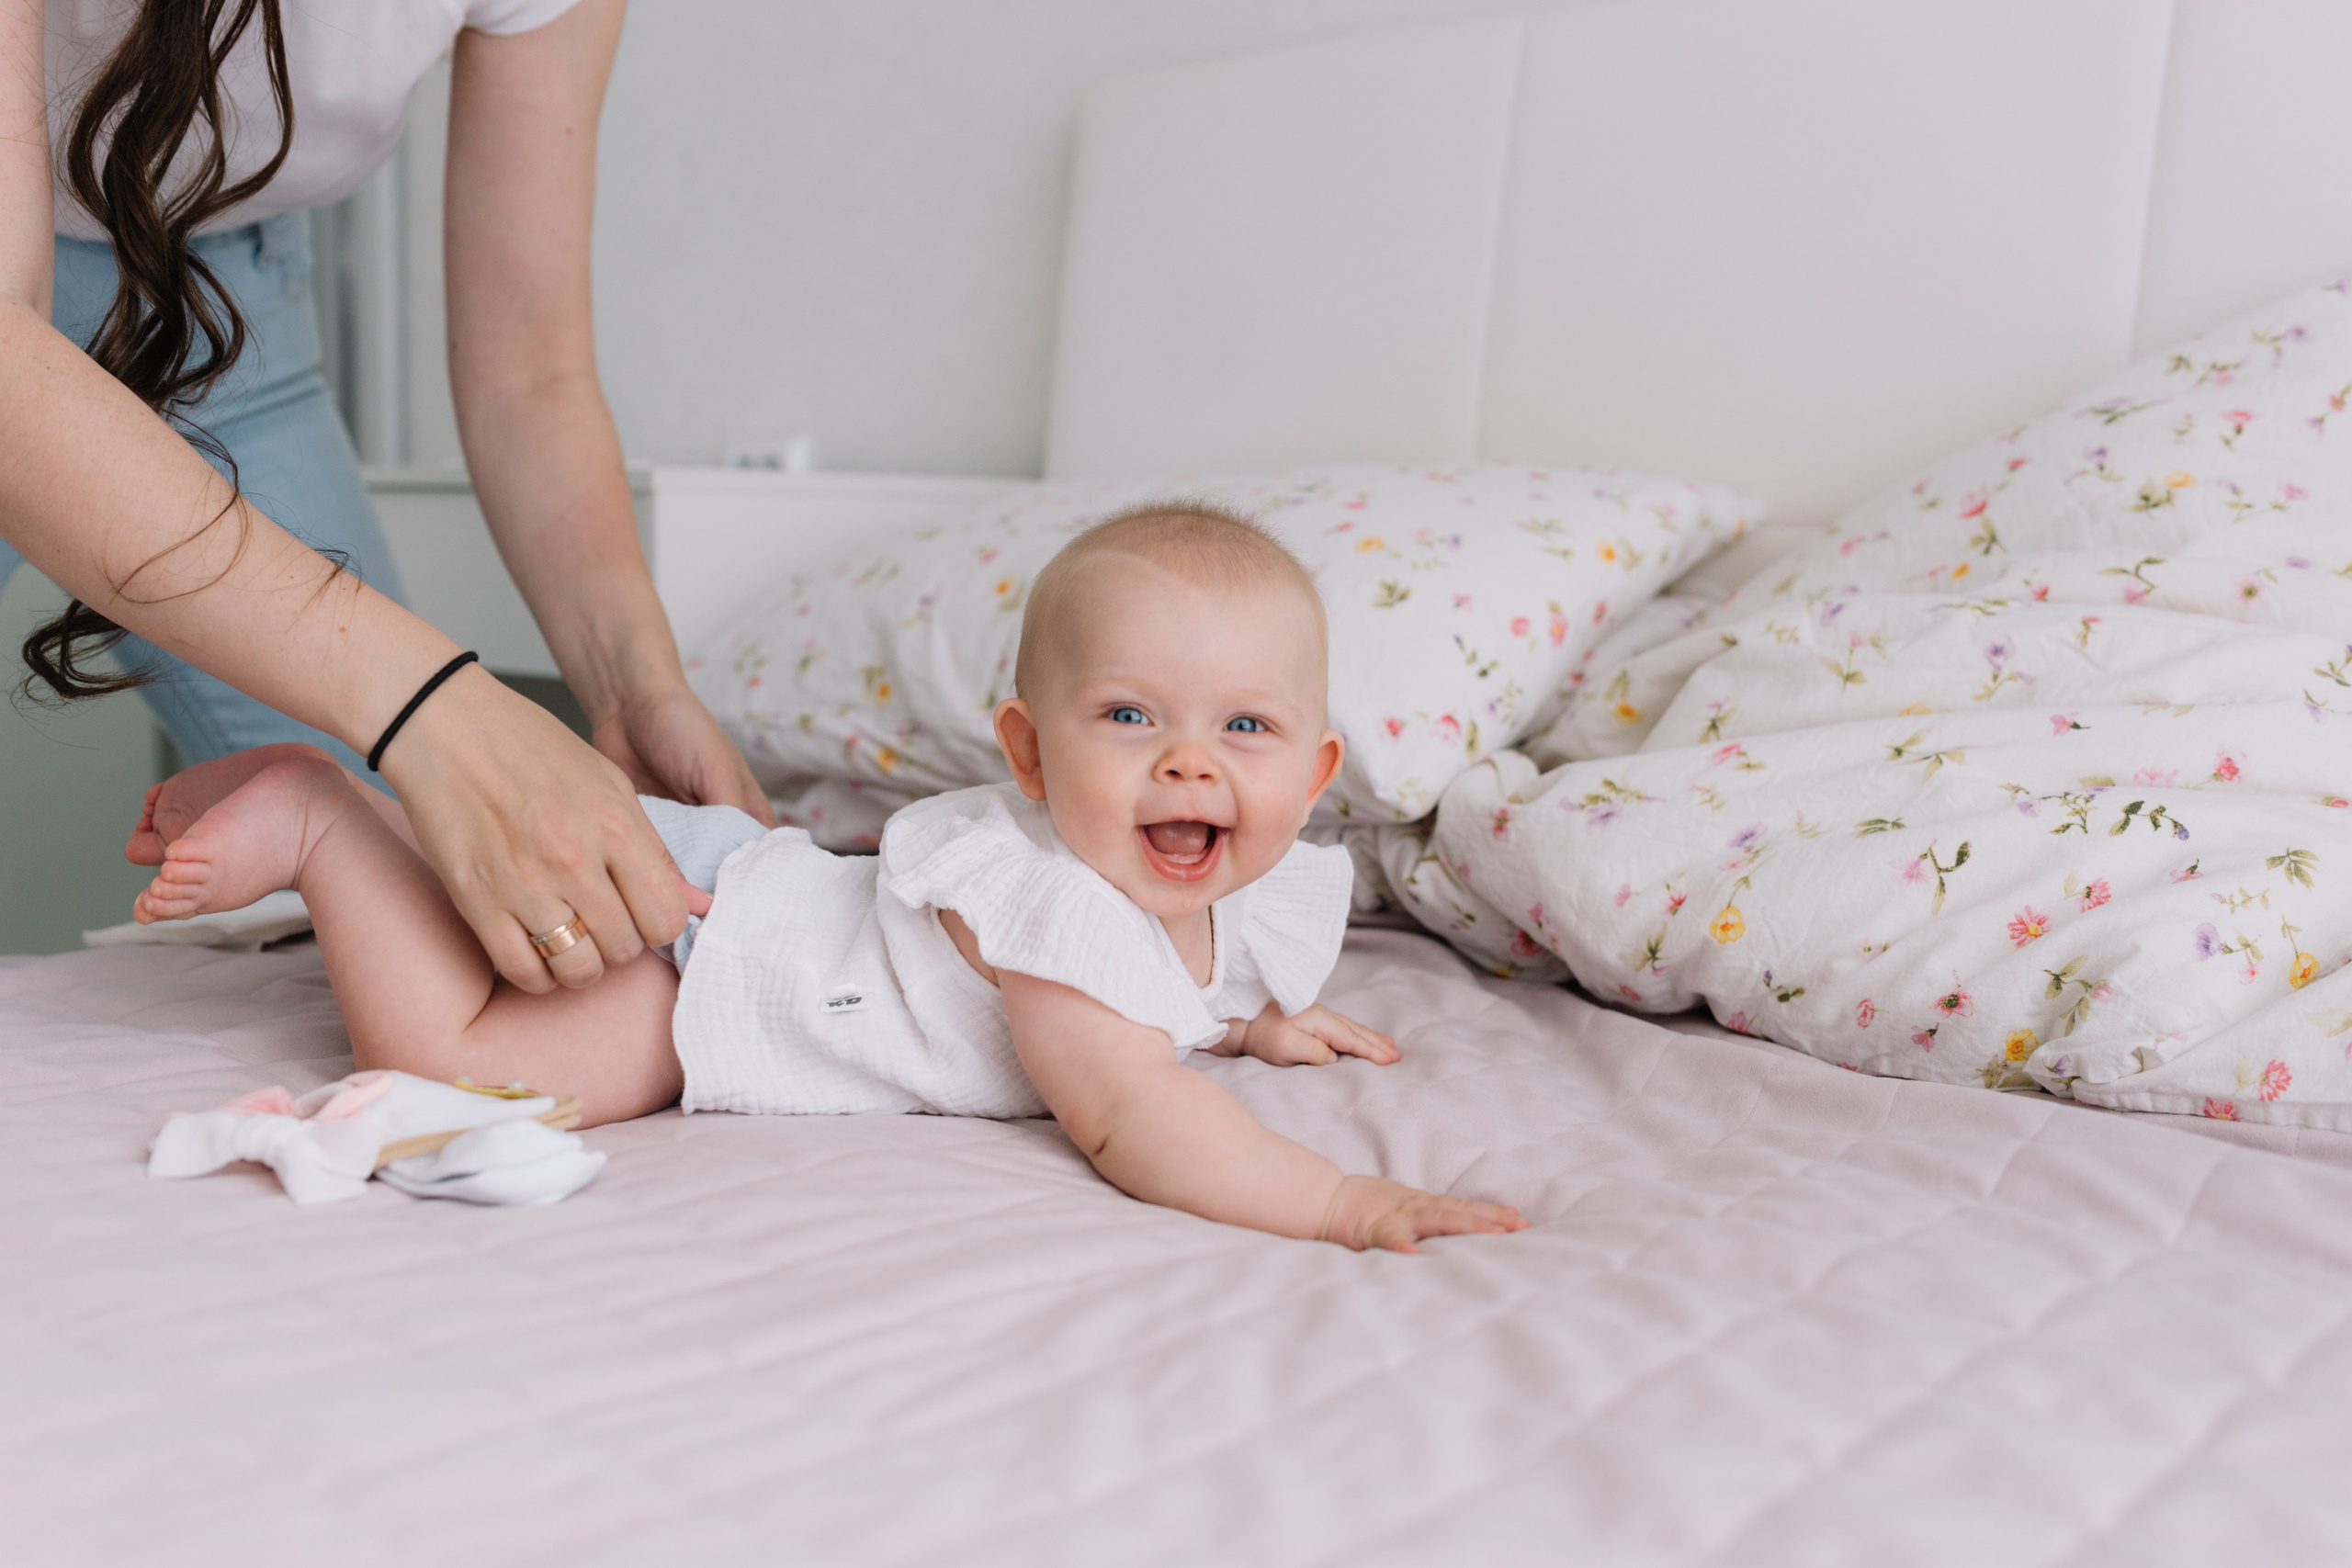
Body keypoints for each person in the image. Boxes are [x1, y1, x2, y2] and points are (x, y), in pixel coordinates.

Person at [125, 509, 1528, 1252]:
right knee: (463, 1058)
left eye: (1245, 728)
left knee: (482, 945)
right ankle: (322, 821)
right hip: (710, 969)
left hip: (725, 887)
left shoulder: (1204, 902)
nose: (1187, 766)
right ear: (1029, 756)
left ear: (1317, 764)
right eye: (1128, 717)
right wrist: (1341, 1201)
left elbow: (1171, 987)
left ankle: (374, 822)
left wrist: (1252, 1017)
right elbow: (1130, 1106)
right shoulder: (1050, 902)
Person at [1, 0, 768, 992]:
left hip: (222, 286)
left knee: (385, 853)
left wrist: (634, 685)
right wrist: (434, 710)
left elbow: (528, 376)